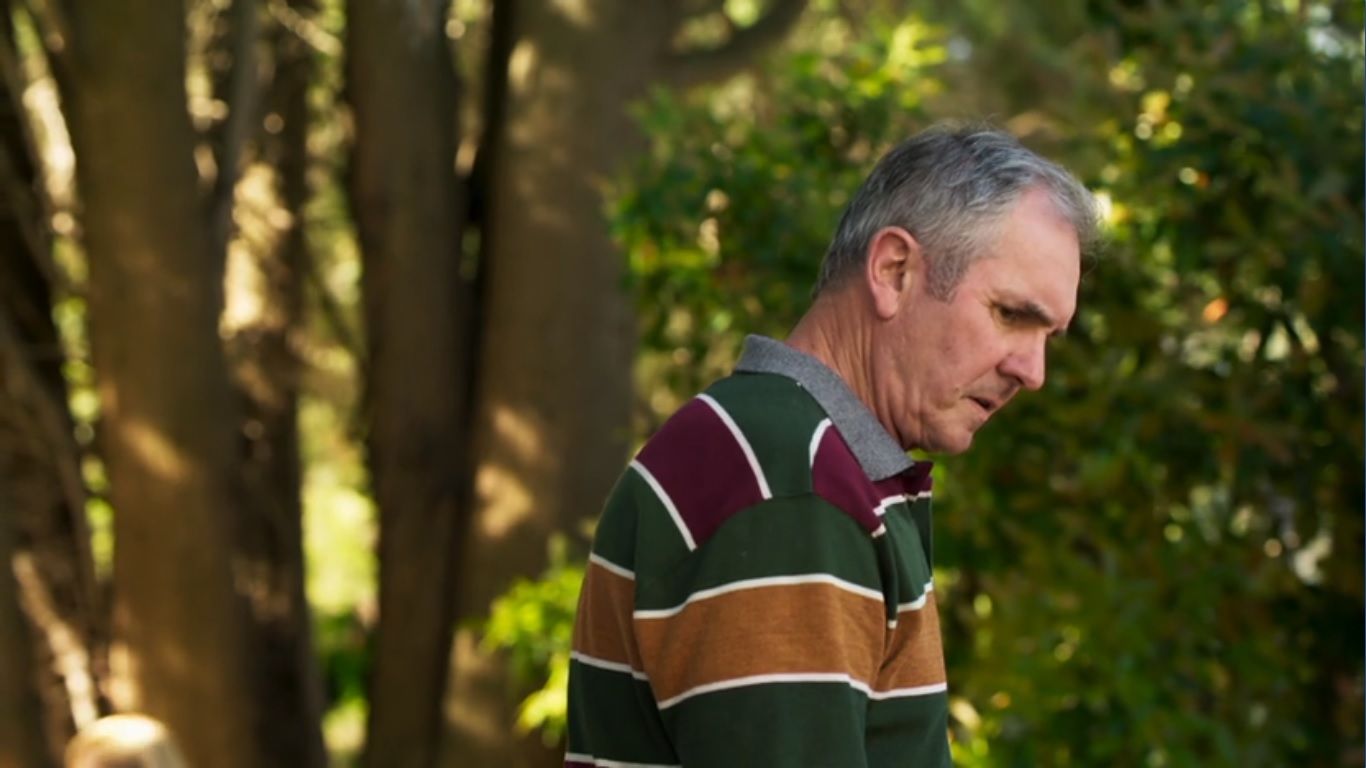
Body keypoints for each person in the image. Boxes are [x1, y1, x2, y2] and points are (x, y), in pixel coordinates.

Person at [565, 123, 1099, 767]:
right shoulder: (791, 487)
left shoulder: (788, 458)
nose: (1033, 372)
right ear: (894, 271)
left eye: (1049, 337)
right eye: (1011, 314)